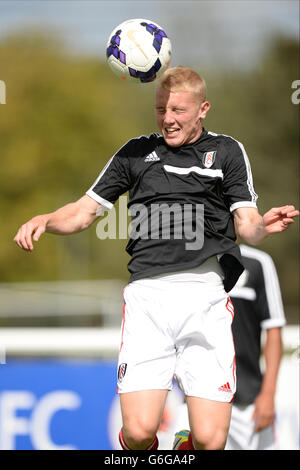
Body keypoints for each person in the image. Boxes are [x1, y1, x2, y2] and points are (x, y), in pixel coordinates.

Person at [13, 66, 298, 451]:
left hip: (206, 298)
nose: (168, 119)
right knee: (140, 431)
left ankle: (184, 447)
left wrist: (263, 226)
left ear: (203, 109)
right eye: (161, 109)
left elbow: (246, 223)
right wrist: (46, 219)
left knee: (211, 440)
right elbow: (83, 211)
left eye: (179, 110)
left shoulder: (227, 151)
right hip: (149, 300)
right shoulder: (134, 153)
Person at [173, 244, 286, 450]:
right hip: (198, 397)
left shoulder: (259, 262)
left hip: (249, 404)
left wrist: (268, 395)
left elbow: (274, 330)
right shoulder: (186, 260)